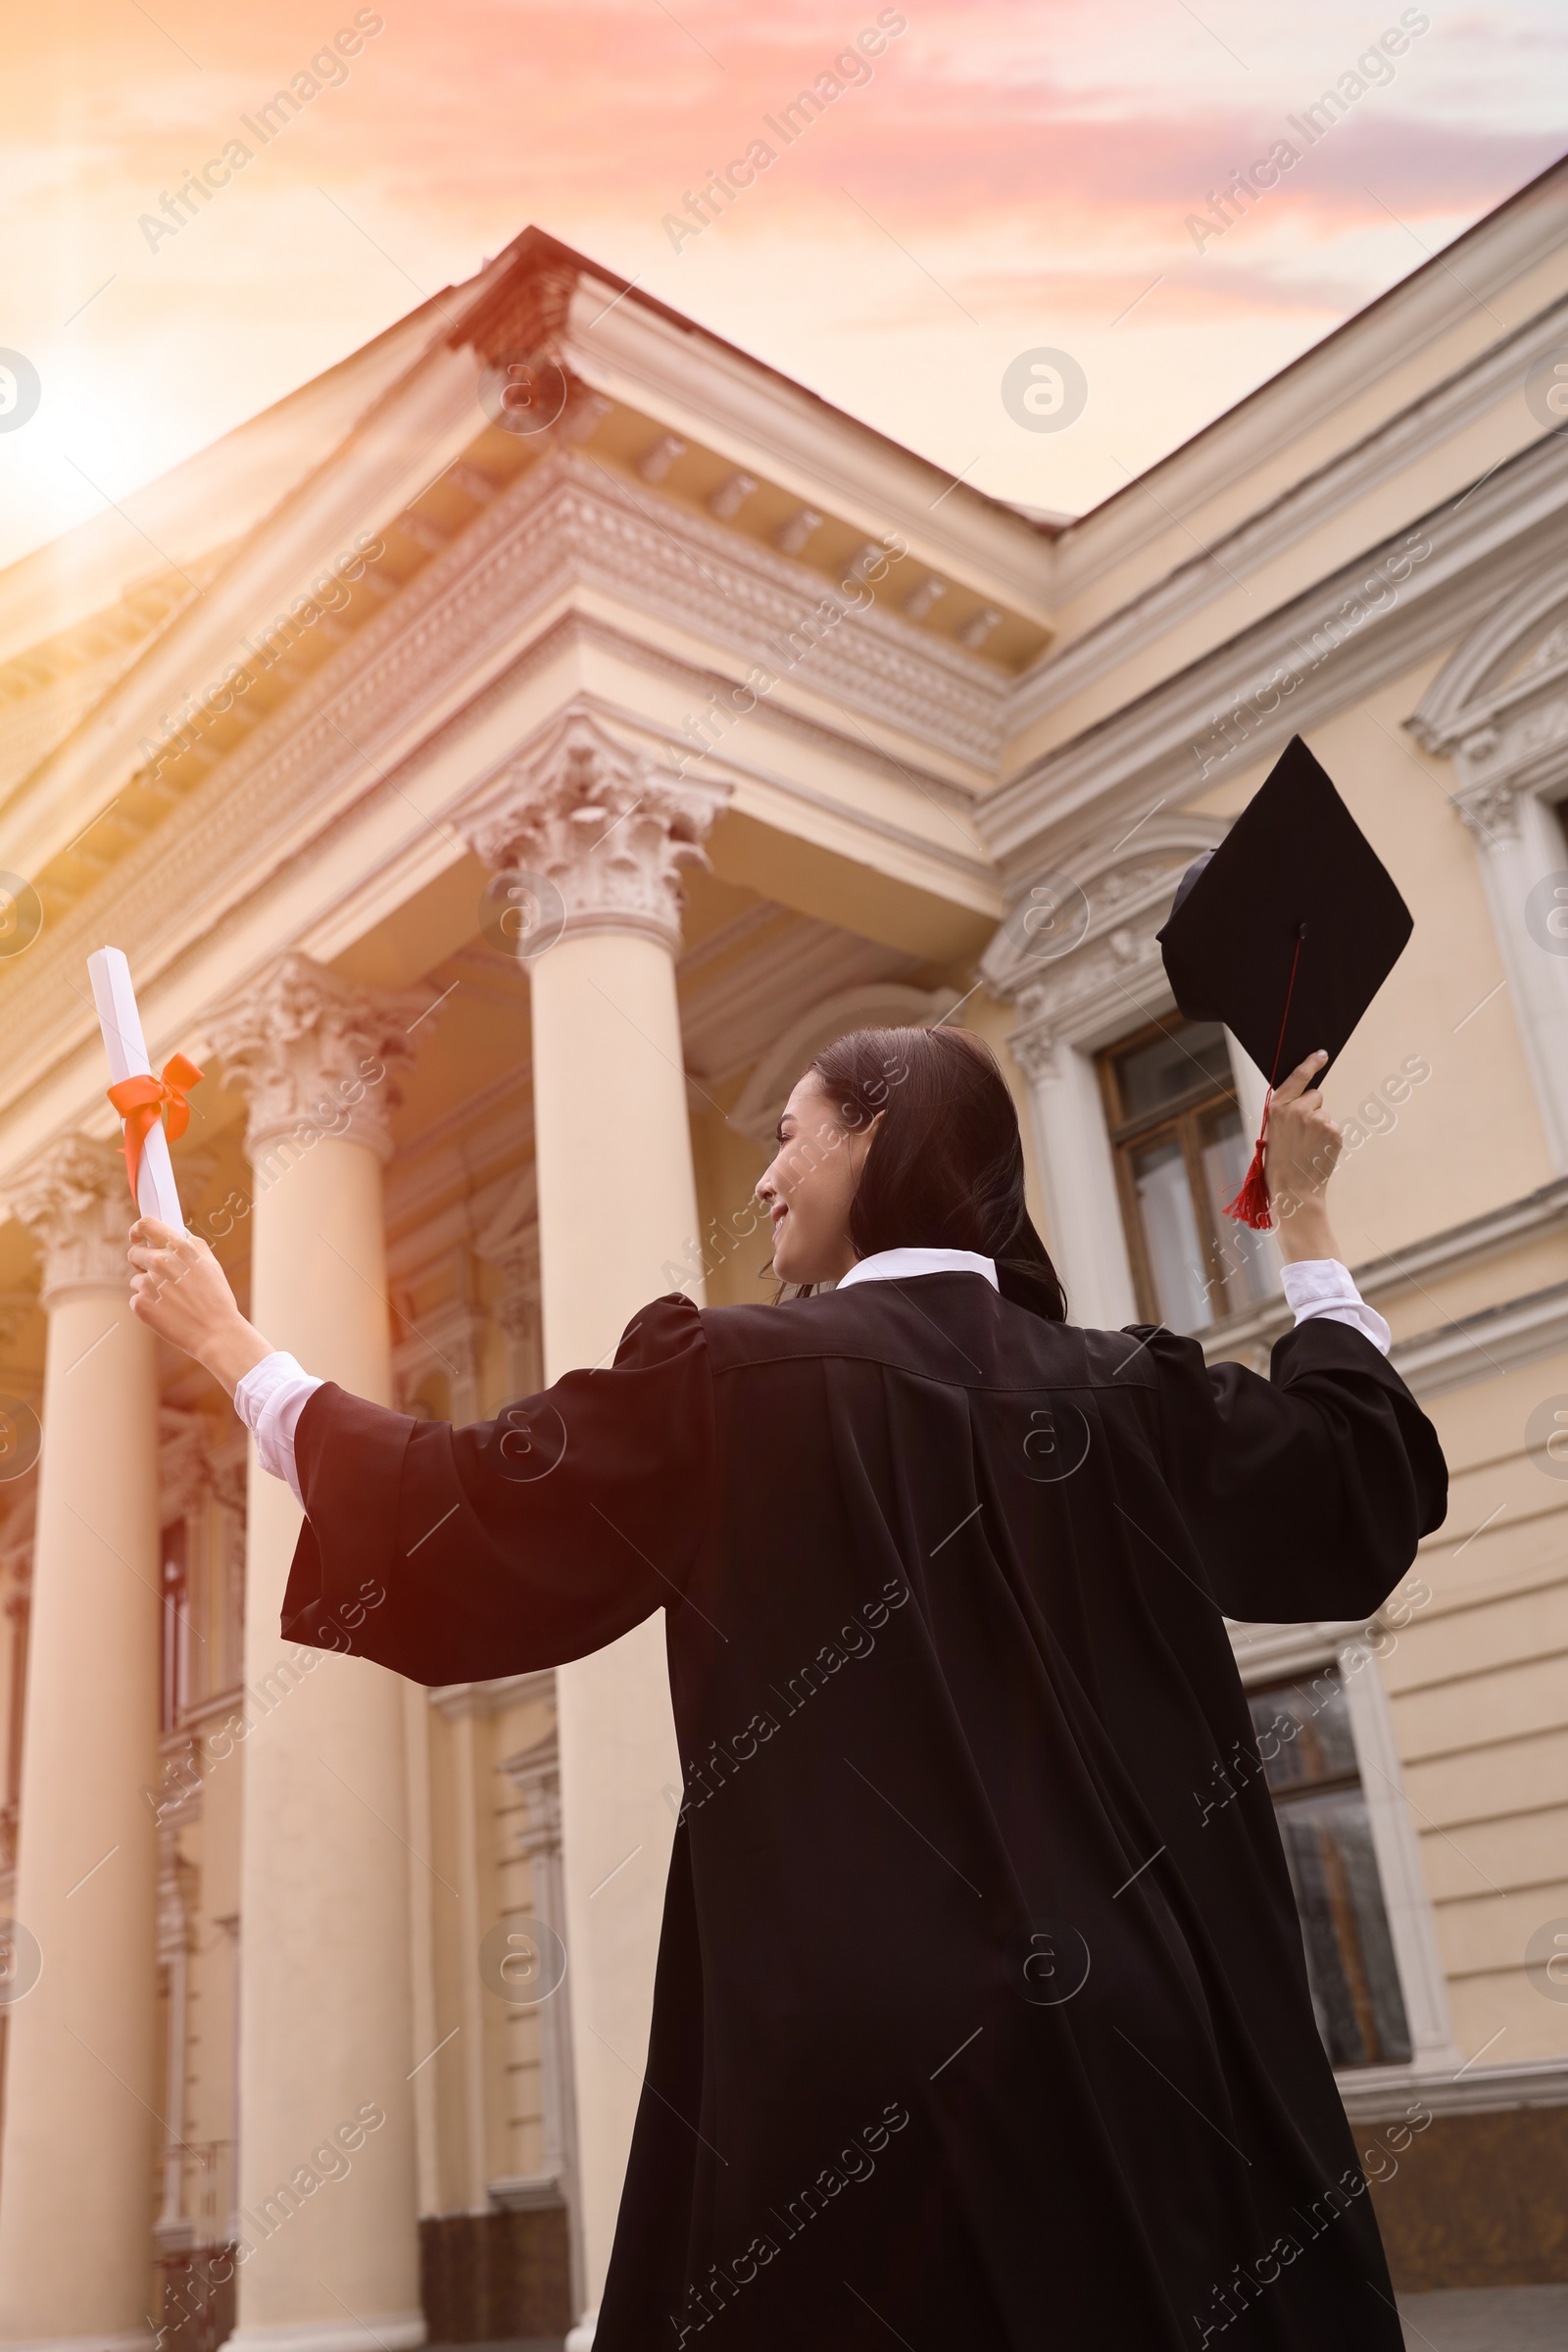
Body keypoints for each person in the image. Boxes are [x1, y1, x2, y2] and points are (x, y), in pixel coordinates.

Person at [128, 1023, 1446, 2350]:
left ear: (880, 1137)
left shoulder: (732, 1381)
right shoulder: (1128, 1397)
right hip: (1140, 2055)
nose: (764, 1180)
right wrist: (1311, 1208)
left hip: (854, 2083)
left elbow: (463, 1504)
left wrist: (238, 1348)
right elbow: (1355, 1485)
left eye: (788, 1136)